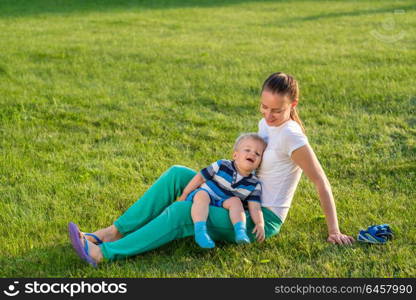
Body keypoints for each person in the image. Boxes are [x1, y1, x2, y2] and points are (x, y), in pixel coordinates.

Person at [68, 72, 355, 267]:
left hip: (260, 218)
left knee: (183, 212)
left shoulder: (293, 136)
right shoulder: (266, 124)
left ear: (292, 105)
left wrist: (334, 230)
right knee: (178, 175)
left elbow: (320, 181)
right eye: (263, 107)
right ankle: (112, 232)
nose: (267, 115)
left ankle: (104, 253)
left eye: (276, 111)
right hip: (239, 193)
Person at [179, 133, 267, 248]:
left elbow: (255, 207)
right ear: (235, 155)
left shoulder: (254, 184)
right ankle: (200, 232)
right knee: (202, 195)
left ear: (259, 163)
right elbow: (200, 177)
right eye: (247, 150)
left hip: (224, 203)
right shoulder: (222, 165)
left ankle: (240, 232)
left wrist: (260, 223)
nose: (252, 154)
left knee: (236, 201)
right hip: (207, 194)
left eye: (257, 153)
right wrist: (185, 193)